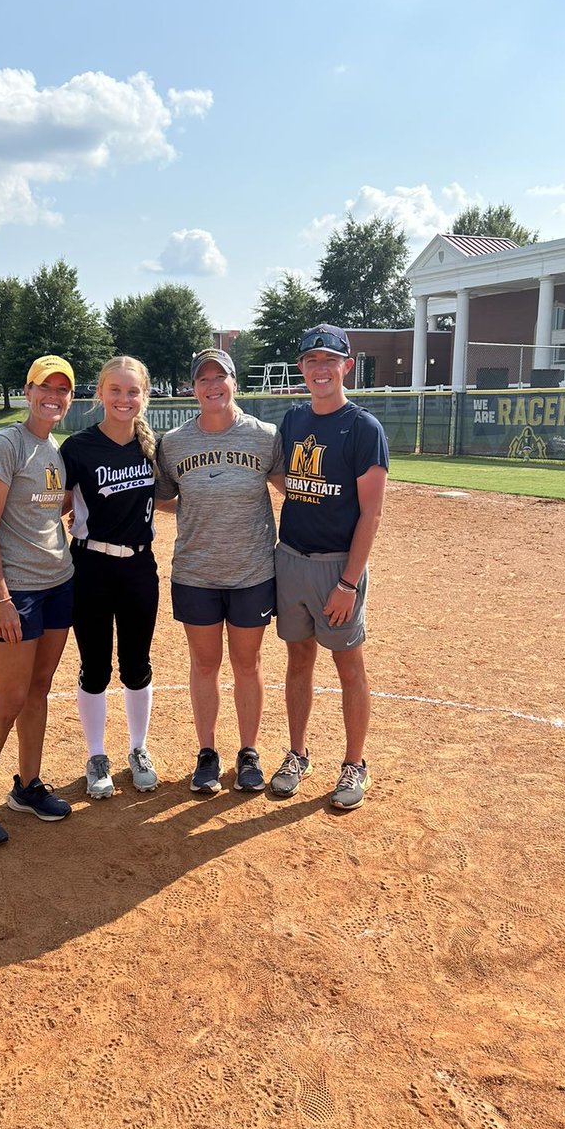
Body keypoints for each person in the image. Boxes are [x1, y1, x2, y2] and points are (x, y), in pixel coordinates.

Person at [0, 355, 77, 848]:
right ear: (28, 391)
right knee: (9, 699)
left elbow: (44, 510)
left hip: (59, 583)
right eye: (45, 387)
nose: (53, 396)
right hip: (18, 591)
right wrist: (1, 598)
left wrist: (70, 509)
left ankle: (27, 785)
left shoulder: (53, 448)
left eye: (63, 389)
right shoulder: (6, 444)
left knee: (39, 689)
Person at [155, 348, 284, 795]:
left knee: (248, 664)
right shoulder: (174, 443)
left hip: (252, 572)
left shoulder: (265, 436)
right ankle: (207, 753)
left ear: (234, 382)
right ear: (193, 388)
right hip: (196, 573)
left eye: (220, 377)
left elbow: (291, 490)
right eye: (203, 379)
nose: (212, 386)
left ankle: (249, 753)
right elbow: (162, 497)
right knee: (205, 664)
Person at [269, 325, 389, 811]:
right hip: (291, 558)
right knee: (298, 660)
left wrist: (348, 582)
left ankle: (355, 763)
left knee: (348, 666)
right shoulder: (293, 420)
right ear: (301, 368)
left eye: (330, 360)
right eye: (311, 361)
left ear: (347, 366)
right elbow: (286, 478)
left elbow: (371, 513)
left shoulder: (363, 428)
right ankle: (297, 753)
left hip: (337, 567)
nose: (320, 369)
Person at [60, 356, 160, 799]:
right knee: (95, 666)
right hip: (91, 567)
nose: (124, 398)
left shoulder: (153, 447)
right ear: (99, 393)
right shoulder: (78, 447)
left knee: (137, 664)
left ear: (144, 395)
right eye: (115, 390)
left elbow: (170, 497)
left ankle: (138, 748)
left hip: (139, 566)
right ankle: (97, 754)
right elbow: (56, 506)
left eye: (132, 391)